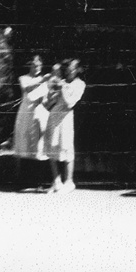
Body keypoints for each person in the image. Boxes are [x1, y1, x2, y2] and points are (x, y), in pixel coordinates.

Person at [43, 59, 86, 193]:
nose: (69, 72)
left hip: (66, 117)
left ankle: (69, 181)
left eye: (72, 69)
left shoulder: (80, 84)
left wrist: (62, 88)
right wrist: (51, 91)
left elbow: (69, 103)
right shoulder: (62, 81)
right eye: (68, 69)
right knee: (52, 147)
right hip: (54, 116)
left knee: (66, 148)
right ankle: (56, 181)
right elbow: (49, 102)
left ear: (78, 70)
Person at [12, 55, 50, 178]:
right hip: (26, 114)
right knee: (25, 144)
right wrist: (42, 80)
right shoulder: (24, 78)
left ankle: (38, 179)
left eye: (39, 65)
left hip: (39, 113)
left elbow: (45, 100)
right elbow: (27, 89)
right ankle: (23, 178)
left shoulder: (45, 81)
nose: (37, 67)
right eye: (35, 64)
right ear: (30, 65)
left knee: (39, 145)